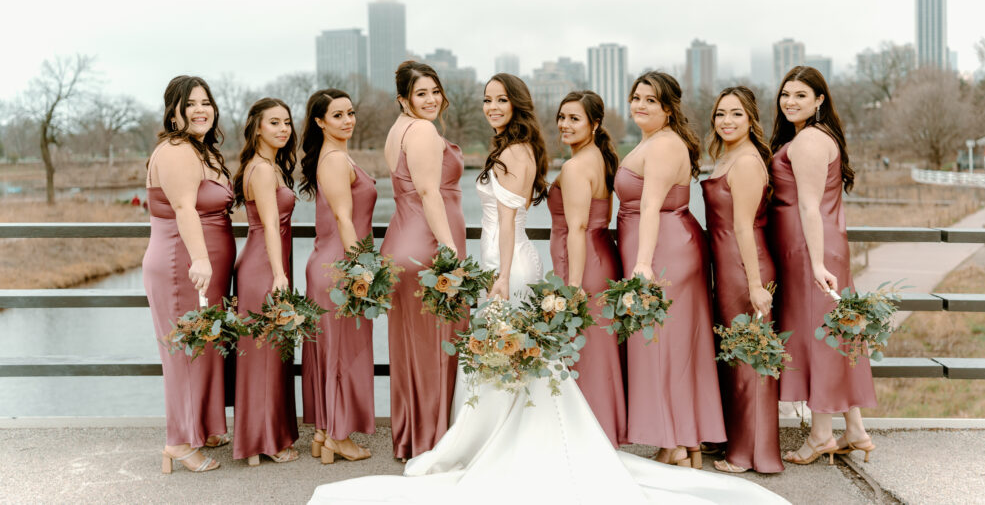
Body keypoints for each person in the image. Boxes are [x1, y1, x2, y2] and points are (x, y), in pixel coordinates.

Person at [307, 78, 787, 505]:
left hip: (509, 263)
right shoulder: (521, 150)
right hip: (503, 258)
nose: (491, 107)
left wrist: (501, 272)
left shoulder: (522, 154)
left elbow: (524, 221)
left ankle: (511, 436)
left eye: (500, 100)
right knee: (507, 352)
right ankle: (501, 430)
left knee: (507, 349)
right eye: (486, 100)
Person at [615, 71, 725, 468]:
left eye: (651, 100)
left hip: (663, 251)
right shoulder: (654, 140)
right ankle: (681, 437)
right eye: (636, 97)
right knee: (670, 344)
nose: (640, 105)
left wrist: (642, 263)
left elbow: (650, 206)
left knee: (662, 344)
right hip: (660, 244)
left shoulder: (663, 146)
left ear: (667, 107)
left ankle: (674, 441)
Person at [769, 66, 877, 465]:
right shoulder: (811, 136)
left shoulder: (810, 141)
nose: (790, 101)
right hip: (821, 248)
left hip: (810, 252)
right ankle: (855, 429)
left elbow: (810, 207)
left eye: (801, 95)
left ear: (819, 100)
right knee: (835, 335)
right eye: (785, 94)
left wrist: (815, 263)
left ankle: (820, 436)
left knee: (819, 340)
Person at [144, 75, 234, 474]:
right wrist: (200, 259)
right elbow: (184, 208)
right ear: (174, 111)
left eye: (206, 102)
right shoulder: (176, 150)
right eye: (191, 103)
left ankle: (206, 427)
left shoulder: (203, 150)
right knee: (183, 352)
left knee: (206, 347)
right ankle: (178, 442)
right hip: (183, 264)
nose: (201, 109)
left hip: (205, 265)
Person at [381, 61, 467, 460]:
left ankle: (412, 437)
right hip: (427, 245)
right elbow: (431, 194)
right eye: (421, 94)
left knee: (410, 347)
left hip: (401, 239)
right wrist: (449, 252)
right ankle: (434, 440)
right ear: (404, 99)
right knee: (437, 344)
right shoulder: (423, 130)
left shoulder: (397, 130)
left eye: (435, 91)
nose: (431, 100)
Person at [701, 87, 783, 474]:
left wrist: (754, 286)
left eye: (735, 114)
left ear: (751, 118)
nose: (726, 121)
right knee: (734, 358)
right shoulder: (727, 156)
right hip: (727, 267)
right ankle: (735, 440)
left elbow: (745, 228)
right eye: (720, 114)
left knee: (750, 359)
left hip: (745, 267)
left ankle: (752, 453)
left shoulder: (748, 162)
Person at [299, 89, 376, 464]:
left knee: (333, 349)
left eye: (350, 113)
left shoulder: (337, 155)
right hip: (340, 266)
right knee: (343, 352)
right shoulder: (332, 160)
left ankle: (324, 432)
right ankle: (339, 437)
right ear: (319, 122)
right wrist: (363, 267)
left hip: (331, 263)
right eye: (337, 115)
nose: (347, 121)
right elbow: (345, 219)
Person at [547, 89, 626, 446]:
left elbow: (576, 228)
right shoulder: (600, 158)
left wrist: (573, 286)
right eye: (562, 117)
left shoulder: (576, 166)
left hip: (582, 264)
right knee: (598, 350)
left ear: (594, 124)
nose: (564, 124)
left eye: (574, 118)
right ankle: (603, 431)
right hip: (600, 256)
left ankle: (584, 438)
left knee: (583, 349)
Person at [231, 98, 299, 466]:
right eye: (274, 122)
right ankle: (263, 442)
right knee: (264, 354)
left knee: (268, 353)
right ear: (257, 127)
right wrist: (279, 274)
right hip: (263, 268)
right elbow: (271, 225)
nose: (283, 129)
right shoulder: (261, 170)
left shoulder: (267, 165)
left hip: (263, 264)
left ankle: (262, 439)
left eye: (287, 122)